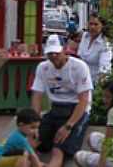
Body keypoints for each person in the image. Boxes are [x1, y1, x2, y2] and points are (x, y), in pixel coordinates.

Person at [30, 34, 93, 167]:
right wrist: (35, 123)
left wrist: (68, 126)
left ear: (65, 49)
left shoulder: (79, 67)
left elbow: (84, 100)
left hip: (77, 109)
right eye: (50, 53)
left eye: (56, 53)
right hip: (56, 108)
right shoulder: (43, 67)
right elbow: (37, 96)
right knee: (33, 140)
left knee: (58, 148)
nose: (53, 56)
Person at [77, 13, 112, 85]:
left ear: (102, 26)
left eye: (96, 24)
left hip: (93, 83)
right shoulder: (84, 36)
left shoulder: (105, 44)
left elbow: (104, 69)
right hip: (79, 80)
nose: (92, 27)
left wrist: (99, 89)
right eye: (90, 24)